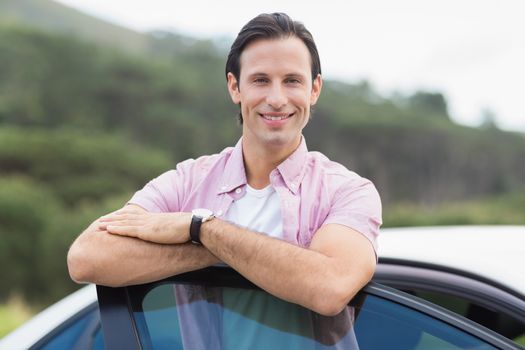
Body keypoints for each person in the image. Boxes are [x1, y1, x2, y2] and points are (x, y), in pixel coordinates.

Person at [67, 12, 381, 318]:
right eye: (260, 80)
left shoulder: (349, 192)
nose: (276, 98)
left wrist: (200, 228)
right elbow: (86, 257)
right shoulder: (188, 180)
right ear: (234, 87)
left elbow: (329, 288)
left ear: (314, 89)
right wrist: (212, 244)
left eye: (292, 81)